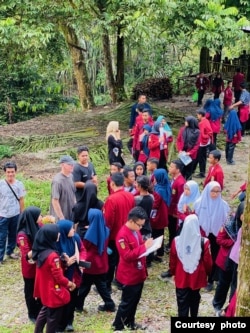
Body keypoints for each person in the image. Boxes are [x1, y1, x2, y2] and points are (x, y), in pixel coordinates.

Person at [112, 207, 153, 331]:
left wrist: (146, 245)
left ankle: (130, 322)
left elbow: (138, 244)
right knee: (126, 302)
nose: (141, 228)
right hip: (129, 274)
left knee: (135, 301)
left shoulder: (135, 230)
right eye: (139, 225)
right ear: (131, 221)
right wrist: (144, 247)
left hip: (139, 272)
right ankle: (118, 325)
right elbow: (127, 256)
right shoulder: (122, 235)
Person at [32, 224, 76, 333]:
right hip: (53, 291)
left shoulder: (41, 251)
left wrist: (63, 263)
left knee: (44, 311)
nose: (59, 234)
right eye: (57, 233)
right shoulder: (52, 256)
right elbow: (59, 277)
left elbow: (49, 270)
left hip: (45, 289)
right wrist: (70, 284)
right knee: (52, 319)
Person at [169, 214, 213, 317]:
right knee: (195, 298)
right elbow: (208, 262)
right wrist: (207, 273)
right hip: (197, 275)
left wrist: (173, 272)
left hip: (181, 275)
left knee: (182, 300)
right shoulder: (204, 241)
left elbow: (173, 260)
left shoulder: (176, 241)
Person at [76, 209, 116, 313]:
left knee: (84, 286)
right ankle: (109, 304)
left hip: (91, 265)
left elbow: (84, 247)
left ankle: (78, 305)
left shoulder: (89, 236)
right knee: (101, 285)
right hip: (102, 263)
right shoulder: (105, 230)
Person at [194, 181, 230, 292]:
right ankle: (199, 277)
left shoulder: (223, 205)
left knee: (213, 256)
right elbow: (195, 218)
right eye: (212, 191)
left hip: (216, 235)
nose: (215, 194)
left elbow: (226, 221)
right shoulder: (199, 203)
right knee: (200, 256)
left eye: (218, 191)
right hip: (202, 233)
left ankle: (210, 280)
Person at [102, 172, 135, 293]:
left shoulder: (111, 199)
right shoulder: (130, 196)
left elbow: (108, 220)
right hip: (127, 233)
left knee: (111, 261)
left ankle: (107, 285)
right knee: (123, 259)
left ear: (112, 184)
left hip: (114, 236)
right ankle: (121, 281)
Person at [56, 219, 86, 332]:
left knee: (72, 299)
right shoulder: (57, 241)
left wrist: (81, 260)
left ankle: (69, 322)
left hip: (75, 274)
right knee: (61, 300)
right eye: (71, 228)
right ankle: (59, 324)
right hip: (63, 275)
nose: (74, 230)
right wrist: (65, 262)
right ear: (64, 231)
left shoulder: (75, 238)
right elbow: (54, 258)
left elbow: (82, 250)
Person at [16, 206, 43, 323]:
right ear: (33, 218)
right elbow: (26, 254)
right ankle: (31, 313)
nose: (41, 217)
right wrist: (39, 247)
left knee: (41, 288)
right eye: (39, 215)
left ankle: (40, 309)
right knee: (30, 290)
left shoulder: (38, 226)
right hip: (30, 267)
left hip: (40, 265)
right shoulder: (22, 235)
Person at [161, 159, 186, 279]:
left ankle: (173, 246)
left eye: (171, 167)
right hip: (170, 209)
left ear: (177, 169)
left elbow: (181, 200)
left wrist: (177, 212)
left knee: (174, 229)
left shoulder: (180, 183)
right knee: (170, 228)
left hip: (175, 212)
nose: (169, 168)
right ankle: (170, 244)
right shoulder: (174, 179)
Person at [0, 161, 26, 264]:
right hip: (3, 215)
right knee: (2, 237)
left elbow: (21, 199)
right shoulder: (1, 184)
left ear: (15, 172)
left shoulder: (19, 184)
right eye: (8, 172)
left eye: (12, 171)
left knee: (13, 234)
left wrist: (22, 213)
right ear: (5, 172)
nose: (10, 174)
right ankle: (0, 257)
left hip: (15, 214)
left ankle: (10, 251)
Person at [151, 169, 170, 262]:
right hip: (164, 214)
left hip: (158, 216)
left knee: (156, 234)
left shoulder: (159, 190)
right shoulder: (166, 185)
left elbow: (155, 204)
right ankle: (160, 253)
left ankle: (158, 253)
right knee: (160, 234)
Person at [50, 155, 76, 222]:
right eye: (69, 164)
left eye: (73, 164)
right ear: (62, 165)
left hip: (71, 214)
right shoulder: (57, 181)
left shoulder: (71, 176)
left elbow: (73, 194)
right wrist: (61, 218)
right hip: (61, 217)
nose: (72, 166)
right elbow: (55, 201)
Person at [176, 116, 200, 180]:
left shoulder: (197, 132)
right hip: (182, 153)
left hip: (191, 155)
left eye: (186, 121)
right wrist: (179, 150)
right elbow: (178, 140)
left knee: (189, 171)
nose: (185, 122)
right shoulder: (182, 129)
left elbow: (197, 144)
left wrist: (190, 152)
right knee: (182, 170)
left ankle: (188, 184)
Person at [193, 109, 213, 178]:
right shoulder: (206, 121)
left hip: (202, 143)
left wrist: (204, 137)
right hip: (205, 142)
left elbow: (202, 133)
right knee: (202, 158)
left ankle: (201, 173)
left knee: (200, 158)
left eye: (198, 115)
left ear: (201, 115)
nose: (197, 116)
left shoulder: (202, 123)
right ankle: (201, 171)